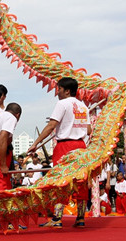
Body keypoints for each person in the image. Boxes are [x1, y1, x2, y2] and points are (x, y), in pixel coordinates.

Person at [28, 77, 91, 229]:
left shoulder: (62, 103)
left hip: (64, 146)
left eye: (59, 89)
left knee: (60, 182)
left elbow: (51, 125)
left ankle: (57, 218)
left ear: (67, 90)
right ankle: (81, 218)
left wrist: (35, 143)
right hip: (81, 146)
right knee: (80, 182)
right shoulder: (83, 106)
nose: (57, 92)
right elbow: (88, 130)